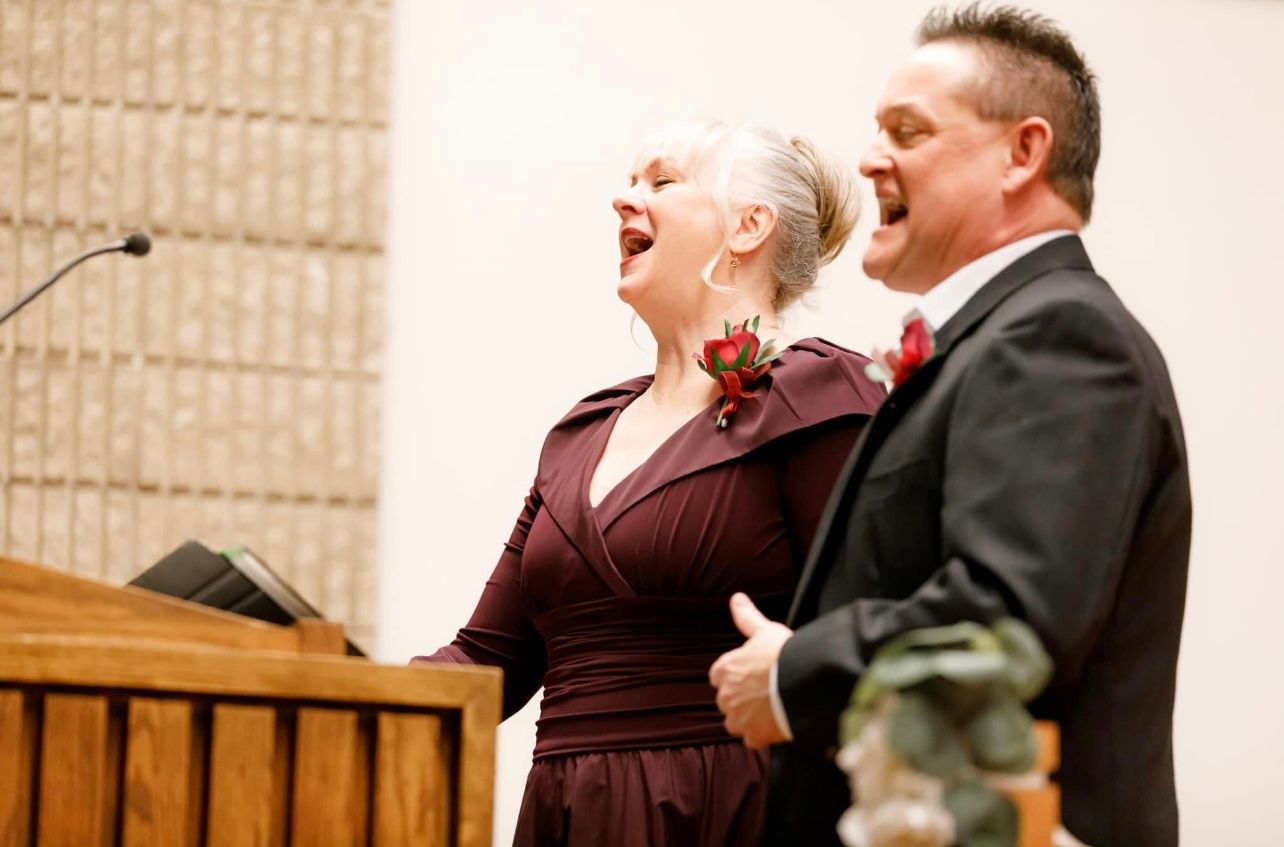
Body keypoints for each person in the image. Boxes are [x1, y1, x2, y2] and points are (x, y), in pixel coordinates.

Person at [709, 7, 1191, 847]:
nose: (869, 158)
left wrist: (796, 671)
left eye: (909, 131)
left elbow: (1004, 618)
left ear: (1022, 153)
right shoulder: (998, 340)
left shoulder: (1060, 335)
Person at [414, 120, 886, 846]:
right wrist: (337, 687)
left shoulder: (817, 396)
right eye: (632, 181)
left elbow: (874, 631)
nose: (623, 199)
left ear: (749, 226)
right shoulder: (581, 432)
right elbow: (489, 661)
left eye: (663, 181)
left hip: (728, 809)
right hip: (566, 814)